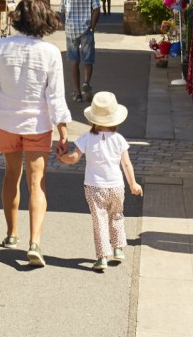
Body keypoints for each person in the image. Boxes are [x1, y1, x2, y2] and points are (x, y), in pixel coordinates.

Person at [0, 0, 70, 268]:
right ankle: (35, 242)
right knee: (36, 181)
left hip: (8, 122)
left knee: (11, 176)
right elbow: (56, 97)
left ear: (19, 18)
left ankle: (11, 233)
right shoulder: (50, 53)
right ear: (45, 19)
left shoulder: (0, 47)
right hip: (38, 124)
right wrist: (62, 130)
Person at [56, 91, 143, 272]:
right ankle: (118, 248)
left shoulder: (86, 138)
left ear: (92, 119)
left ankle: (102, 257)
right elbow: (126, 164)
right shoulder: (119, 139)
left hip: (95, 188)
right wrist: (133, 184)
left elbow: (74, 158)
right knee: (117, 215)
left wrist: (63, 158)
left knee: (100, 221)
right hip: (117, 186)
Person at [59, 0, 101, 102]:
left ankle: (77, 93)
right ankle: (86, 83)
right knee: (88, 60)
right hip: (86, 30)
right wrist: (92, 27)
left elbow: (62, 11)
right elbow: (96, 9)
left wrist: (67, 23)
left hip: (71, 31)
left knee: (74, 63)